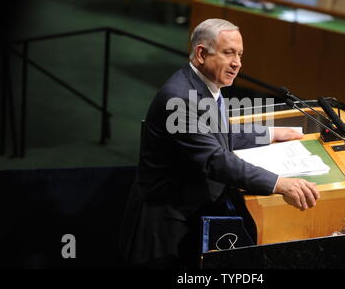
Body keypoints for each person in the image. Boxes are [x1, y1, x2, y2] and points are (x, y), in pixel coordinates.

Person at [119, 18, 320, 268]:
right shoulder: (181, 99)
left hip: (191, 210)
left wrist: (269, 134)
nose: (237, 63)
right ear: (202, 53)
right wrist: (280, 183)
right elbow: (214, 159)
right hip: (166, 227)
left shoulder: (204, 84)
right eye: (228, 53)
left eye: (240, 54)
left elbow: (217, 134)